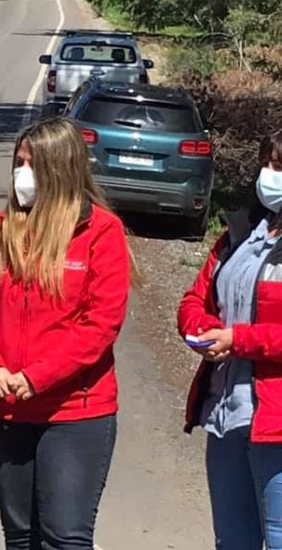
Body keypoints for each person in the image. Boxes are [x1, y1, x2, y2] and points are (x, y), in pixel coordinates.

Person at [0, 117, 131, 549]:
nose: (22, 174)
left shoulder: (101, 233)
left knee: (63, 538)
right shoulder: (0, 229)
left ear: (59, 170)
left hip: (74, 413)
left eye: (32, 165)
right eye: (18, 163)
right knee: (20, 538)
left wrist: (38, 376)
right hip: (4, 410)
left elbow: (100, 325)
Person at [178, 130, 282, 549]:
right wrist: (200, 327)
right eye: (269, 163)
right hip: (226, 415)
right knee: (233, 542)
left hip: (276, 425)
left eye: (278, 166)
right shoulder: (242, 233)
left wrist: (238, 340)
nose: (269, 174)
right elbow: (194, 297)